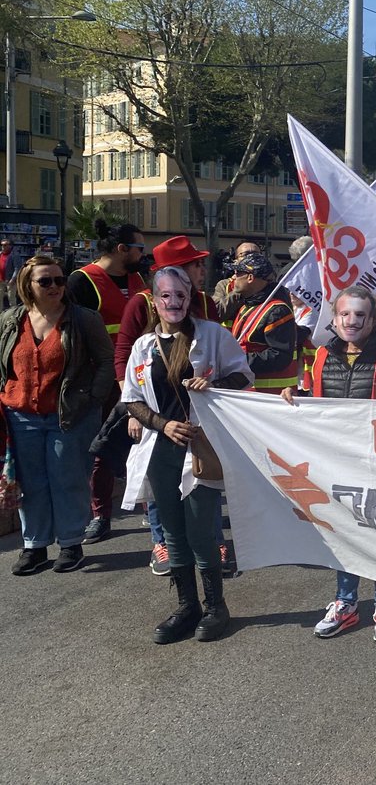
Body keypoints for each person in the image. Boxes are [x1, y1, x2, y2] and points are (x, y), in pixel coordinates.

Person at [122, 267, 252, 643]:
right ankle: (187, 606)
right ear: (155, 299)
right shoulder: (143, 346)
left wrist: (212, 384)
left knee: (199, 530)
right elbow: (131, 398)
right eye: (166, 295)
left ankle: (216, 607)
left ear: (190, 297)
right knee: (173, 532)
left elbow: (244, 377)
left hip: (201, 447)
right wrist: (163, 425)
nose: (174, 302)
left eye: (181, 295)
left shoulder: (213, 335)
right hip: (162, 448)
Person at [282, 286, 376, 642]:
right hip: (336, 462)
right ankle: (346, 602)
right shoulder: (321, 354)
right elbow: (316, 399)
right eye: (345, 314)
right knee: (342, 531)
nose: (352, 321)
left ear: (373, 319)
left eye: (360, 315)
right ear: (335, 319)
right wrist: (297, 396)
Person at [111, 236, 223, 577]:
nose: (201, 270)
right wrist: (138, 414)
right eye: (195, 264)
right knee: (166, 505)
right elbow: (126, 361)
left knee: (205, 492)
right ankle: (164, 548)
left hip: (200, 432)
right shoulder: (142, 311)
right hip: (159, 427)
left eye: (199, 266)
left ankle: (211, 566)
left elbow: (230, 366)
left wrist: (214, 384)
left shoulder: (207, 311)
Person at [2, 256, 113, 575]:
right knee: (30, 482)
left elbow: (105, 362)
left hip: (69, 415)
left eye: (60, 280)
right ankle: (34, 546)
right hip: (20, 415)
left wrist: (93, 399)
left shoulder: (83, 319)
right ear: (28, 285)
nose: (55, 286)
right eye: (46, 281)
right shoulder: (11, 319)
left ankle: (70, 543)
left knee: (69, 479)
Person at [67, 219, 147, 545]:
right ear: (121, 249)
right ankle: (100, 515)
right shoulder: (82, 281)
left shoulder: (137, 278)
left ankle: (150, 505)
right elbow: (73, 336)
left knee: (145, 441)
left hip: (141, 375)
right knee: (103, 447)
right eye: (140, 247)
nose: (145, 253)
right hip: (103, 377)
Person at [229, 253, 297, 395]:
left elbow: (280, 356)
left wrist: (237, 359)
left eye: (237, 273)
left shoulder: (277, 310)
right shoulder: (246, 306)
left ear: (250, 277)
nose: (233, 277)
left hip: (270, 397)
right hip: (248, 393)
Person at [213, 241, 262, 323]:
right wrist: (240, 289)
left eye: (255, 254)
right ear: (235, 261)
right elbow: (215, 314)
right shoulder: (224, 285)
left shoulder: (268, 284)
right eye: (245, 254)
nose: (251, 257)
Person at [0, 239, 17, 310]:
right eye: (1, 245)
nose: (2, 247)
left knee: (11, 298)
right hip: (0, 280)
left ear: (10, 246)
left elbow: (17, 268)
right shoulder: (0, 254)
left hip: (10, 280)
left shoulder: (14, 255)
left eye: (5, 245)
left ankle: (13, 314)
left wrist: (13, 279)